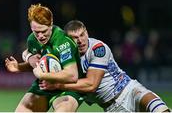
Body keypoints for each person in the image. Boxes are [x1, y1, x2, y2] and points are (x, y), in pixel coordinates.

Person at [34, 20, 170, 112]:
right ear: (67, 40)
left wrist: (58, 85)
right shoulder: (65, 58)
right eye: (75, 38)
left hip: (128, 91)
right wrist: (29, 58)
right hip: (111, 108)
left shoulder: (98, 48)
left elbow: (92, 84)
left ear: (86, 32)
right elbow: (34, 52)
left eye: (82, 34)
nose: (80, 40)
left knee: (158, 107)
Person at [5, 4, 85, 112]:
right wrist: (19, 67)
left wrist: (42, 75)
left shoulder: (62, 41)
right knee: (22, 110)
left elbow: (72, 75)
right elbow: (43, 65)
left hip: (68, 87)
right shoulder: (32, 40)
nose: (40, 36)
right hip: (45, 85)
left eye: (44, 31)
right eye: (36, 32)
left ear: (51, 24)